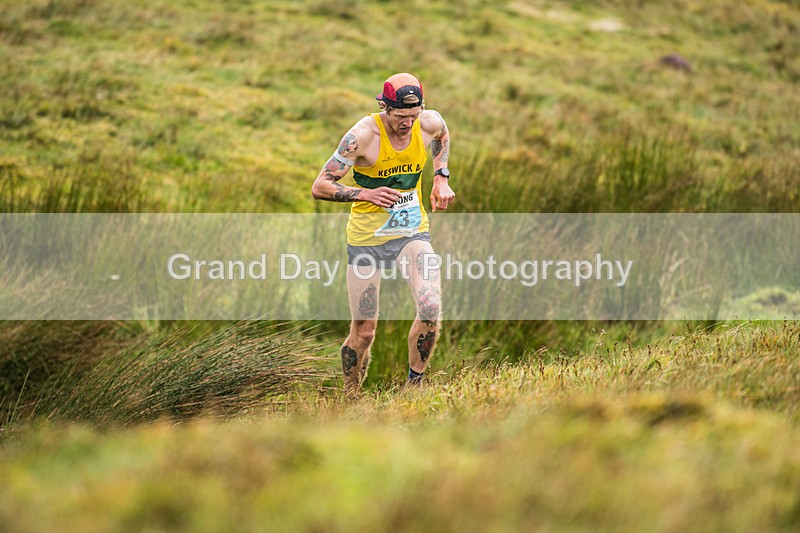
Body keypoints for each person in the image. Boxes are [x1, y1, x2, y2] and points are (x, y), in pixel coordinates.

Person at [311, 72, 455, 394]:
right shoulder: (361, 136)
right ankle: (351, 397)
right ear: (384, 107)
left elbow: (442, 135)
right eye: (400, 117)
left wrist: (441, 176)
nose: (407, 124)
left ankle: (413, 387)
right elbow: (320, 186)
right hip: (367, 241)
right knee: (364, 332)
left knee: (430, 306)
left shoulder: (428, 122)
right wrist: (365, 194)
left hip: (411, 233)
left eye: (413, 117)